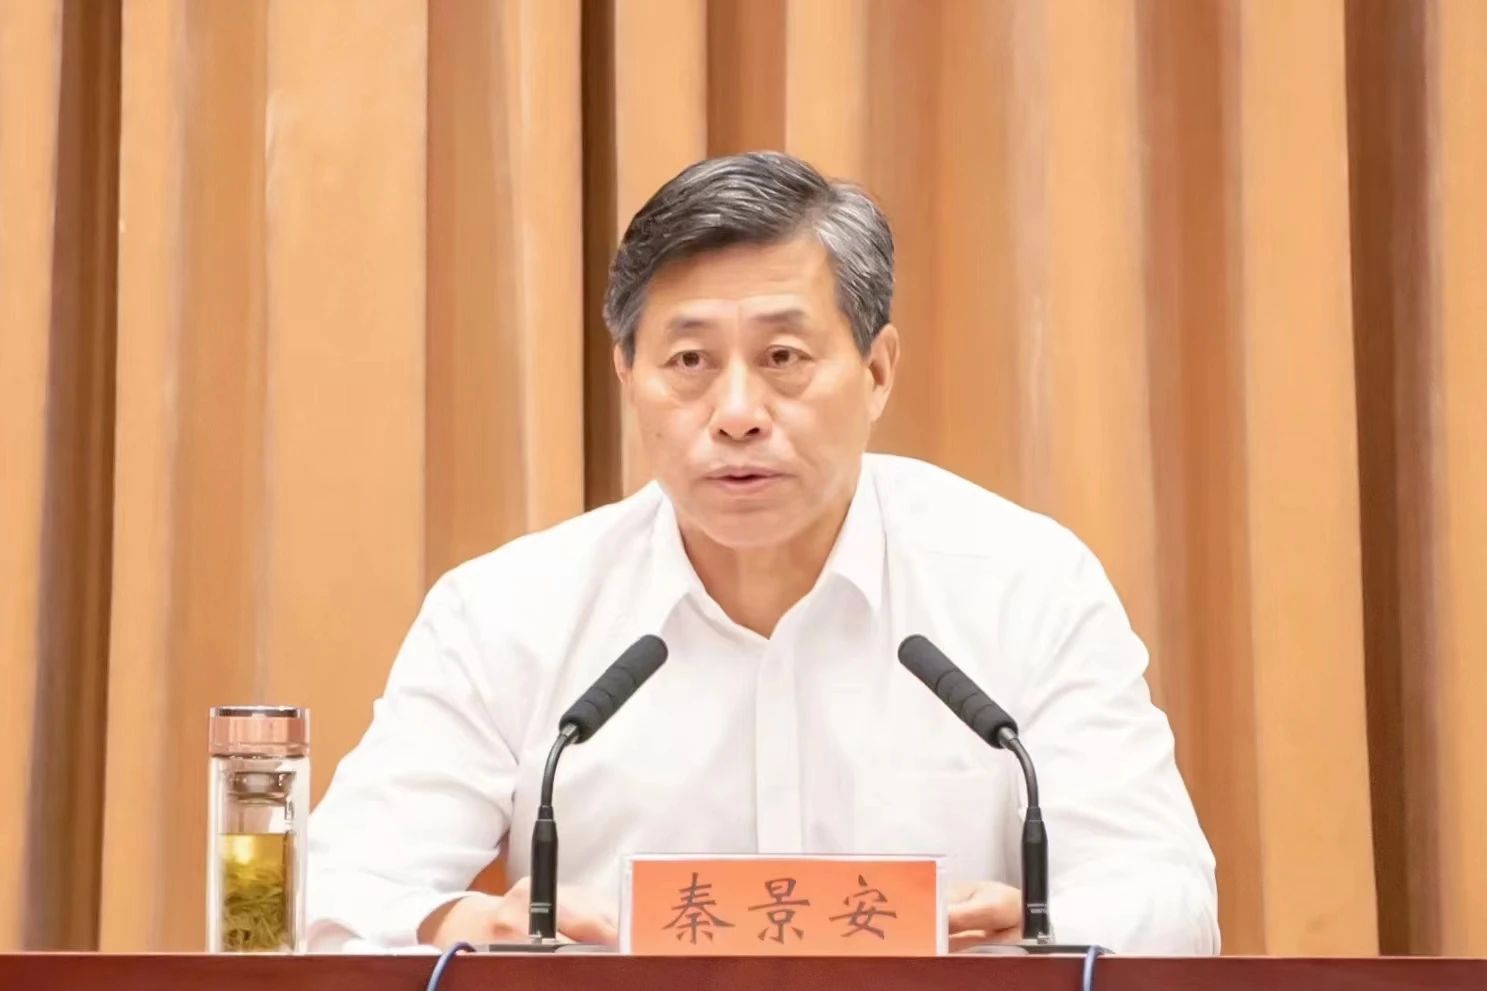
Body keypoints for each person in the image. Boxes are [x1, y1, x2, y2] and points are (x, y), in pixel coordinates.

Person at [306, 151, 1219, 954]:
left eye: (783, 356)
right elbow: (332, 893)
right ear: (627, 375)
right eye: (689, 362)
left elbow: (1165, 898)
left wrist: (1046, 925)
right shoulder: (509, 612)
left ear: (876, 372)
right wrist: (454, 923)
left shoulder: (1024, 587)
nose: (737, 413)